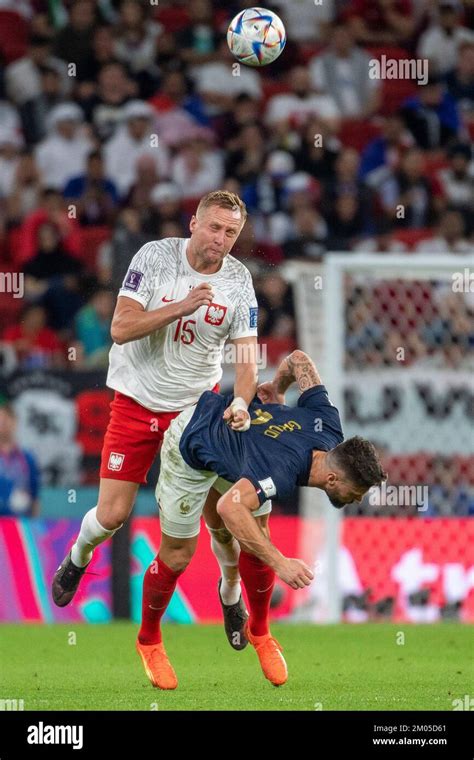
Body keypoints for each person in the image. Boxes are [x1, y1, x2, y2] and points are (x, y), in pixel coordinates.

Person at [51, 190, 264, 646]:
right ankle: (78, 554)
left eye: (231, 232)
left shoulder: (240, 282)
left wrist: (242, 402)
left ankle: (230, 595)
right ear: (194, 223)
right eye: (214, 227)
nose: (221, 239)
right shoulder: (156, 257)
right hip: (136, 402)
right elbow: (121, 328)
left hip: (195, 412)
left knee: (221, 517)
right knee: (111, 515)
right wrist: (181, 306)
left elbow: (247, 364)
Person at [136, 349, 387, 689]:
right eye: (356, 492)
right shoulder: (281, 471)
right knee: (179, 554)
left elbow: (299, 360)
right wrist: (281, 563)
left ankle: (260, 631)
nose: (357, 499)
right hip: (192, 442)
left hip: (238, 449)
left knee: (257, 532)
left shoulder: (328, 425)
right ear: (332, 480)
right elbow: (229, 507)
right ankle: (149, 641)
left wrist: (277, 386)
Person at [0, 403, 40, 517]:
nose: (2, 424)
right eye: (0, 420)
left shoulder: (28, 458)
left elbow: (35, 497)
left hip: (19, 523)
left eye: (5, 419)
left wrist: (33, 522)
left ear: (14, 422)